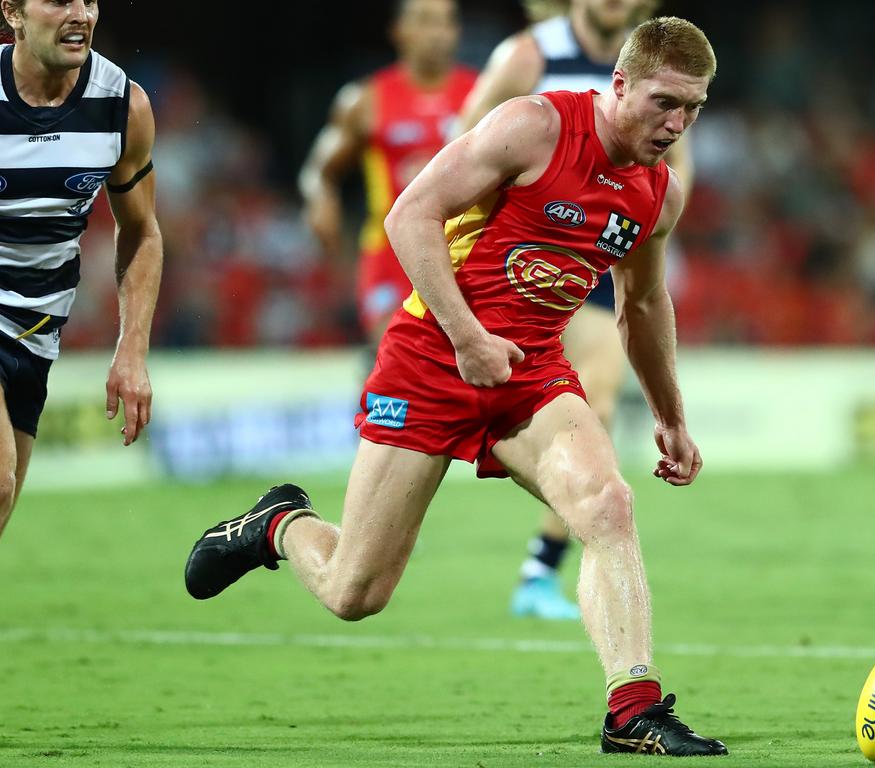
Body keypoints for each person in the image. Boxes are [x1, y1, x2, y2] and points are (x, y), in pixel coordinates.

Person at [185, 16, 727, 757]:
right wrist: (468, 337)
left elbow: (640, 305)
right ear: (621, 83)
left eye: (694, 108)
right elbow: (411, 214)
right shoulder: (533, 127)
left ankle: (631, 710)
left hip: (530, 374)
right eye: (666, 102)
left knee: (607, 503)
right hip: (432, 360)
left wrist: (670, 415)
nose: (678, 123)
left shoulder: (655, 194)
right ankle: (276, 524)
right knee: (355, 593)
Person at [458, 0, 695, 621]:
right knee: (361, 586)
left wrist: (647, 213)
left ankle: (542, 567)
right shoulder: (529, 56)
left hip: (596, 257)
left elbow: (674, 174)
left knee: (602, 397)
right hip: (516, 260)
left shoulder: (664, 66)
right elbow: (470, 141)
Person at [0, 0, 162, 540]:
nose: (80, 14)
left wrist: (131, 350)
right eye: (58, 0)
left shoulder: (122, 105)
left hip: (37, 331)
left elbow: (140, 230)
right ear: (13, 14)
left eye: (88, 0)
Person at [299, 0, 475, 347]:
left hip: (464, 254)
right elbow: (319, 171)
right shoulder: (365, 101)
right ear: (399, 31)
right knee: (400, 363)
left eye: (446, 23)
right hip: (390, 259)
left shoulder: (483, 96)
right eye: (425, 21)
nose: (438, 34)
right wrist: (320, 199)